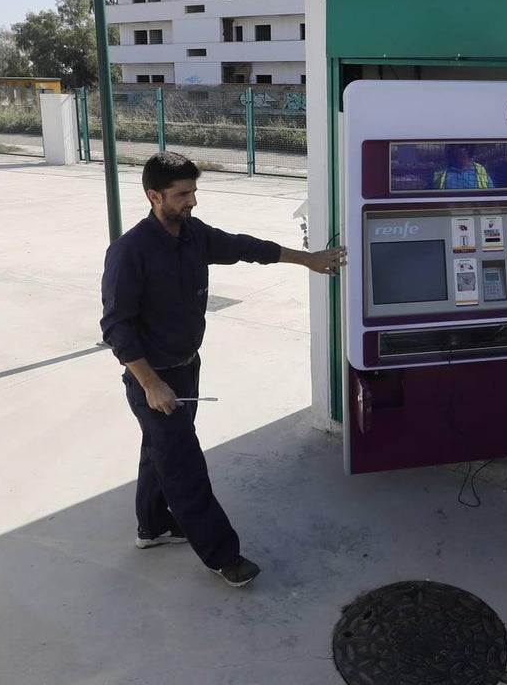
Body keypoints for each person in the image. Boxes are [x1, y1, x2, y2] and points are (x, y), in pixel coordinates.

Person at [100, 152, 346, 588]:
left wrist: (305, 259)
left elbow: (242, 247)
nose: (192, 202)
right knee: (183, 466)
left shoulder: (192, 235)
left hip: (185, 367)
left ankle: (152, 526)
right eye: (182, 195)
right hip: (153, 378)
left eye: (194, 192)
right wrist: (151, 383)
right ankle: (222, 555)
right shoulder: (129, 251)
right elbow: (117, 327)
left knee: (159, 450)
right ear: (154, 195)